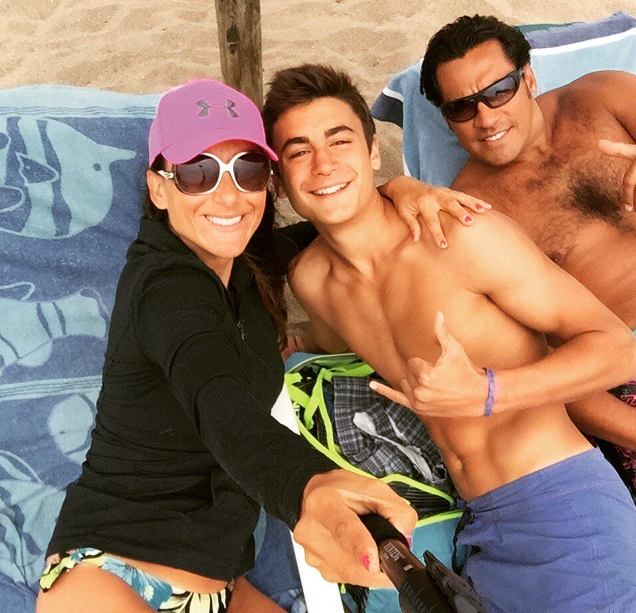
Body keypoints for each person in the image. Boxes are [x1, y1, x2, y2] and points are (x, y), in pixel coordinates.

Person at [35, 78, 423, 613]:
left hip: (223, 586)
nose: (228, 195)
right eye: (197, 172)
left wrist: (400, 192)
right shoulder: (165, 287)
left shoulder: (242, 264)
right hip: (114, 575)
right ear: (159, 188)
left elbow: (329, 228)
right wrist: (308, 487)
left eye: (248, 170)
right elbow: (218, 399)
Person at [261, 63, 636, 613]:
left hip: (563, 505)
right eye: (299, 152)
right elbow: (338, 345)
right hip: (474, 526)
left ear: (373, 153)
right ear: (279, 180)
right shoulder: (312, 280)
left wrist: (488, 390)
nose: (324, 164)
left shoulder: (462, 236)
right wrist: (296, 349)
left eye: (340, 141)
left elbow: (617, 347)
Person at [388, 14, 636, 497]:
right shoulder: (472, 217)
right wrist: (395, 187)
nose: (485, 118)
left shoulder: (603, 96)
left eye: (499, 91)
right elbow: (548, 375)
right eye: (462, 107)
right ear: (445, 119)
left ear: (528, 78)